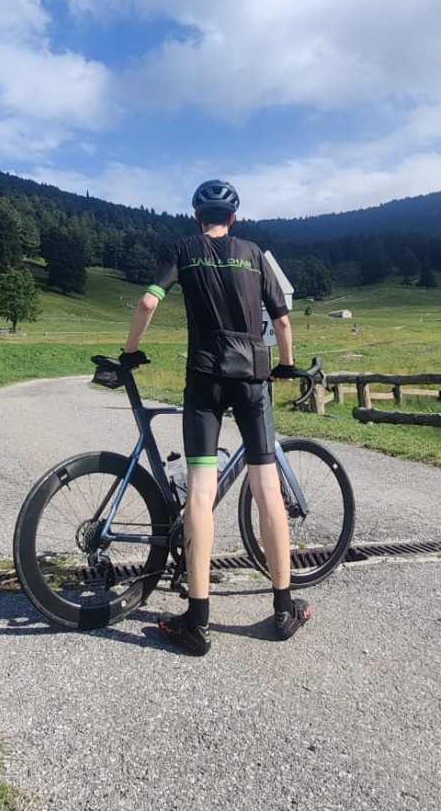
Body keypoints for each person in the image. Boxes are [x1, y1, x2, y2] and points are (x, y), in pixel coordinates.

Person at [120, 179, 311, 656]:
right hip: (252, 378)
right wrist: (285, 364)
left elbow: (148, 300)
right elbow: (283, 321)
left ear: (195, 215)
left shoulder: (183, 249)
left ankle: (197, 621)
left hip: (205, 377)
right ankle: (284, 610)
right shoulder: (255, 253)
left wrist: (130, 352)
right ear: (235, 218)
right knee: (268, 491)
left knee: (201, 494)